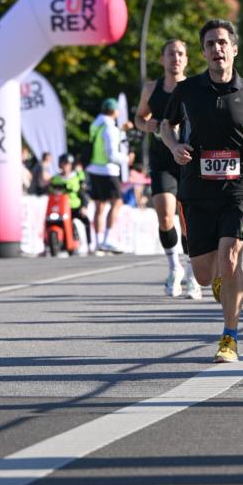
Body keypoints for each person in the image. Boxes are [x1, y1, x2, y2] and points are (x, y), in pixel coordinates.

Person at [161, 19, 243, 363]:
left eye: (222, 43)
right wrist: (173, 147)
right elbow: (165, 127)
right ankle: (220, 283)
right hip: (197, 189)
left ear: (234, 50)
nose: (217, 49)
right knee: (202, 275)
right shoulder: (187, 91)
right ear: (203, 52)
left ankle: (229, 337)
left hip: (240, 187)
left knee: (230, 258)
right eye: (210, 44)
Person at [135, 38, 202, 300]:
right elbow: (139, 118)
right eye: (171, 54)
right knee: (164, 217)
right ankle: (174, 267)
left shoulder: (194, 88)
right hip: (162, 159)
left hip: (186, 159)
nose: (176, 58)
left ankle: (192, 273)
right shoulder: (151, 89)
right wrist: (146, 125)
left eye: (181, 54)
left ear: (186, 60)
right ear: (162, 59)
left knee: (187, 221)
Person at [86, 98, 129, 253]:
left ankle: (97, 242)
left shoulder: (96, 124)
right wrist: (126, 159)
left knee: (99, 206)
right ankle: (107, 239)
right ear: (114, 111)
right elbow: (111, 154)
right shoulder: (110, 127)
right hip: (108, 170)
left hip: (93, 169)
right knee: (116, 203)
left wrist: (122, 130)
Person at [49, 153, 93, 252]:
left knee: (85, 221)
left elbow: (82, 193)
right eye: (64, 164)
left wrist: (84, 206)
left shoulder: (76, 177)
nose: (66, 167)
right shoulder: (56, 178)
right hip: (60, 208)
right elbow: (50, 191)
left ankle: (89, 244)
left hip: (74, 206)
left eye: (68, 164)